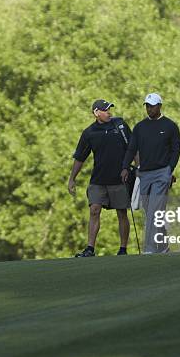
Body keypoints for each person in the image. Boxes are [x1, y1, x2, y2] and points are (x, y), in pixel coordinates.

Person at [69, 99, 133, 257]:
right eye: (105, 110)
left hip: (120, 178)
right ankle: (90, 248)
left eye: (109, 109)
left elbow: (133, 148)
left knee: (121, 212)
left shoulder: (120, 126)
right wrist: (72, 178)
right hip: (98, 179)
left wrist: (138, 170)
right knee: (94, 210)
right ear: (96, 113)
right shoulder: (89, 133)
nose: (109, 112)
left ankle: (123, 249)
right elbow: (80, 157)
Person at [121, 93, 180, 254]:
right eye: (147, 105)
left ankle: (149, 249)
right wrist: (125, 167)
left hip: (162, 173)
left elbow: (176, 150)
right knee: (152, 212)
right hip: (144, 175)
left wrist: (169, 169)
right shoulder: (140, 127)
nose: (149, 108)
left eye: (152, 105)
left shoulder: (170, 126)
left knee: (154, 211)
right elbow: (132, 149)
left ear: (159, 106)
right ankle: (163, 246)